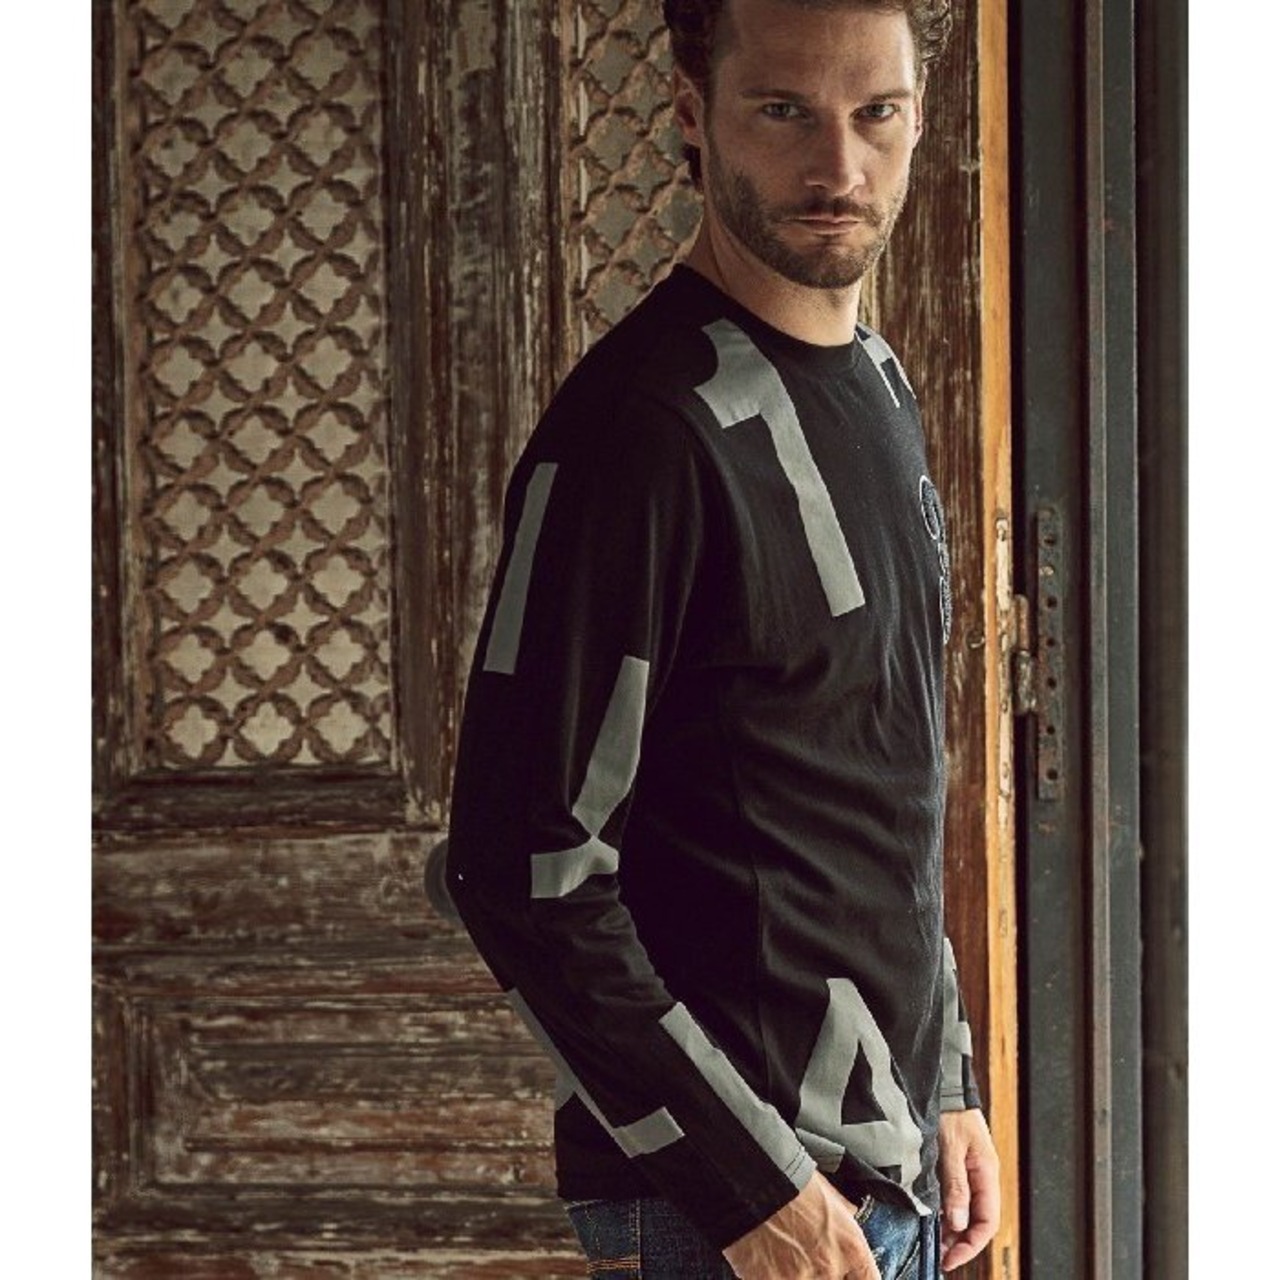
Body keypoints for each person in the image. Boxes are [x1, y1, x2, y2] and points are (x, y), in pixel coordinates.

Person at [445, 0, 1000, 1275]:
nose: (837, 166)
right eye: (783, 111)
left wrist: (944, 1078)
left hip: (883, 1177)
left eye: (875, 113)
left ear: (918, 116)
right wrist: (751, 1194)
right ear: (693, 117)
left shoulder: (879, 383)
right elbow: (518, 864)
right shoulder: (638, 432)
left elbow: (867, 781)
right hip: (731, 1213)